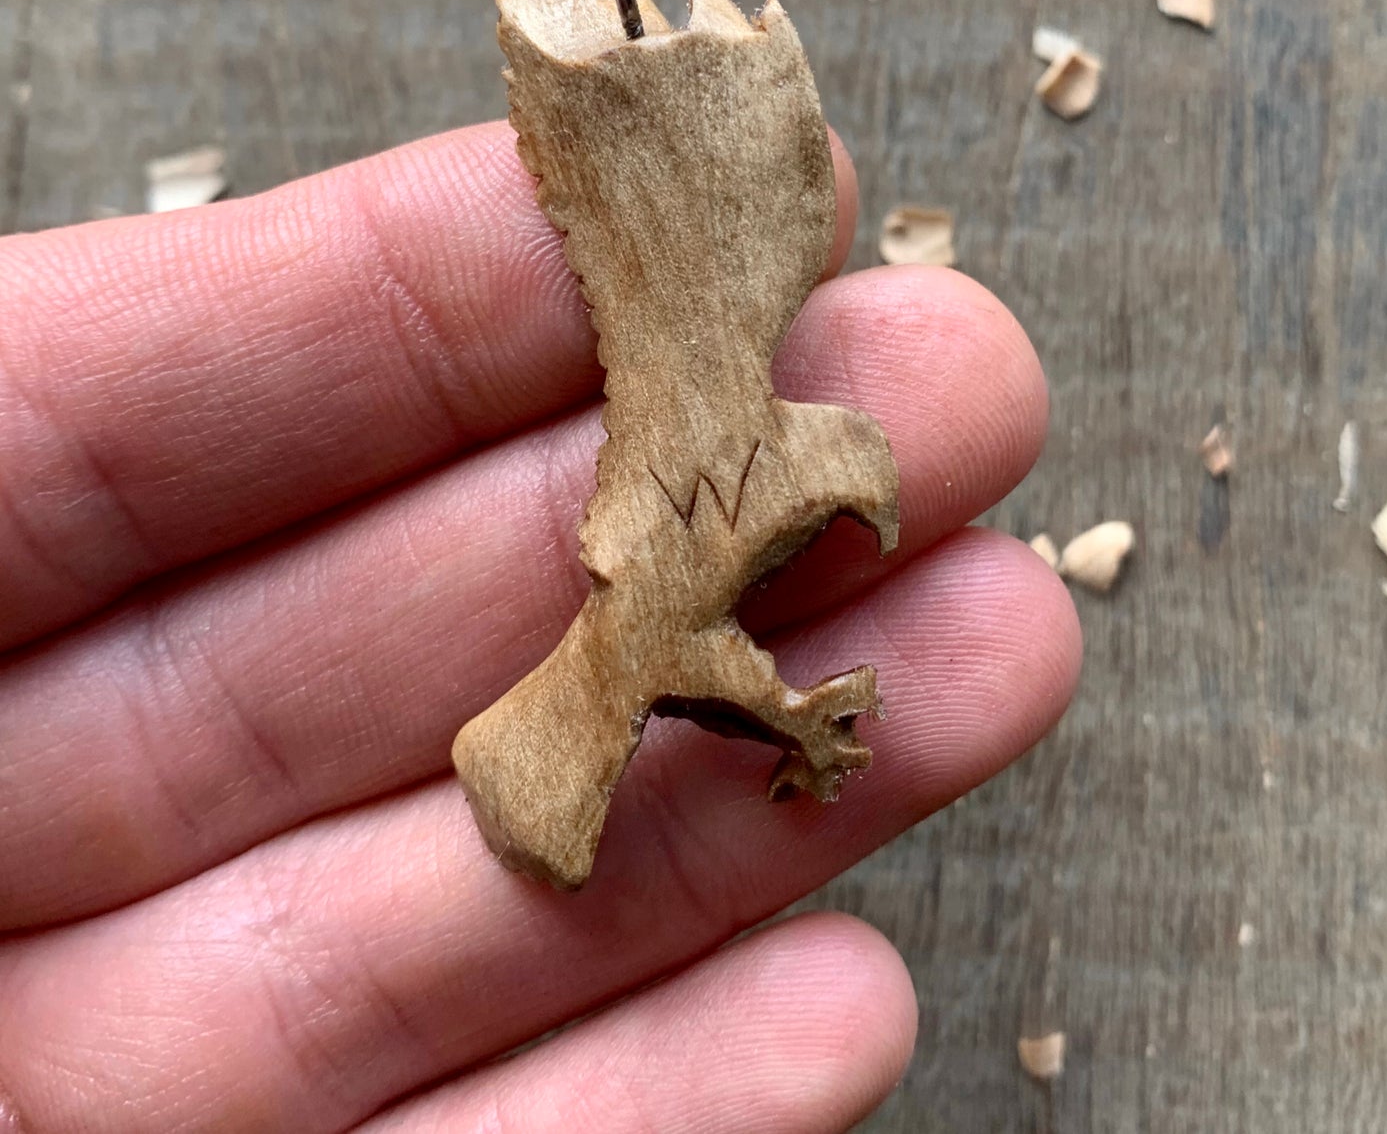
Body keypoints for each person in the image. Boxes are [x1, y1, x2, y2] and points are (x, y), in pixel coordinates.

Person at [0, 123, 1079, 1132]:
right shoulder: (724, 462)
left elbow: (685, 646)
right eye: (852, 495)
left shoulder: (737, 475)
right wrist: (791, 715)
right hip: (592, 690)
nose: (865, 518)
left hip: (612, 674)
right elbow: (678, 646)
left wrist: (788, 714)